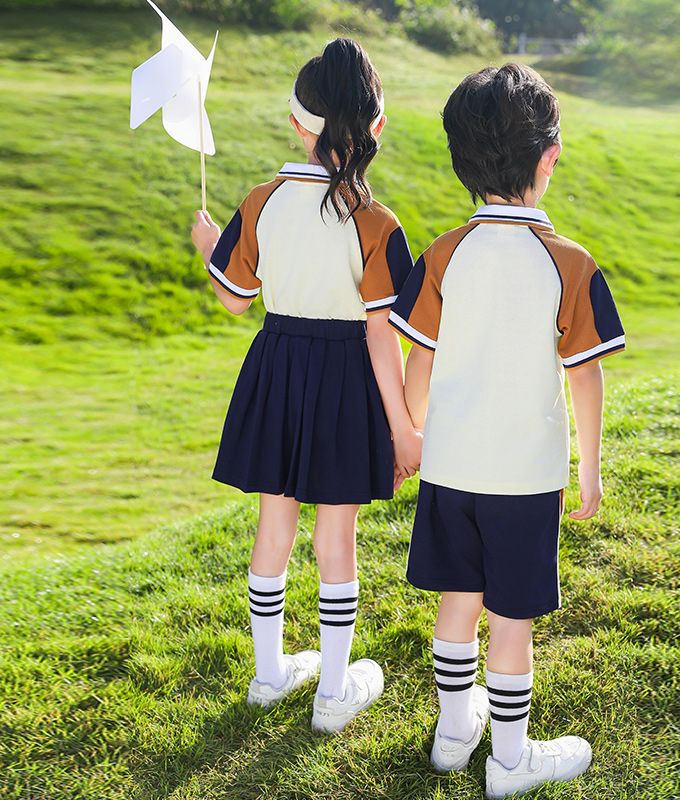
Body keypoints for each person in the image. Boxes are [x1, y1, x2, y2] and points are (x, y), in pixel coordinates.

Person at [390, 64, 625, 796]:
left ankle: (455, 732)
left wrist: (412, 430)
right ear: (548, 158)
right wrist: (588, 468)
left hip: (450, 469)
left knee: (455, 600)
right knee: (512, 618)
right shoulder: (571, 264)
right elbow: (584, 374)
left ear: (461, 162)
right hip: (525, 478)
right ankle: (511, 762)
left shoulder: (442, 253)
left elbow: (416, 359)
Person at [190, 38, 421, 734]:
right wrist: (405, 426)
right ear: (375, 126)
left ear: (299, 123)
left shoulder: (261, 201)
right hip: (347, 377)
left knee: (275, 523)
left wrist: (209, 247)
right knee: (336, 537)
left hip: (278, 368)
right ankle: (332, 694)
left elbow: (235, 298)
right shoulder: (379, 223)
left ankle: (268, 676)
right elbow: (384, 335)